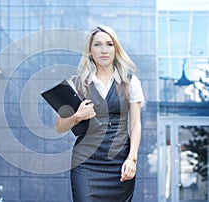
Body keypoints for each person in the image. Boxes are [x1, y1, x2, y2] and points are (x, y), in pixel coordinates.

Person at [55, 25, 145, 202]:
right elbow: (59, 127)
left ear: (115, 49)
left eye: (109, 44)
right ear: (90, 51)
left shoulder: (130, 81)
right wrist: (78, 116)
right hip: (85, 163)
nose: (104, 50)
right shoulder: (77, 84)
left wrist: (132, 159)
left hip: (119, 163)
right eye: (97, 45)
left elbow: (135, 124)